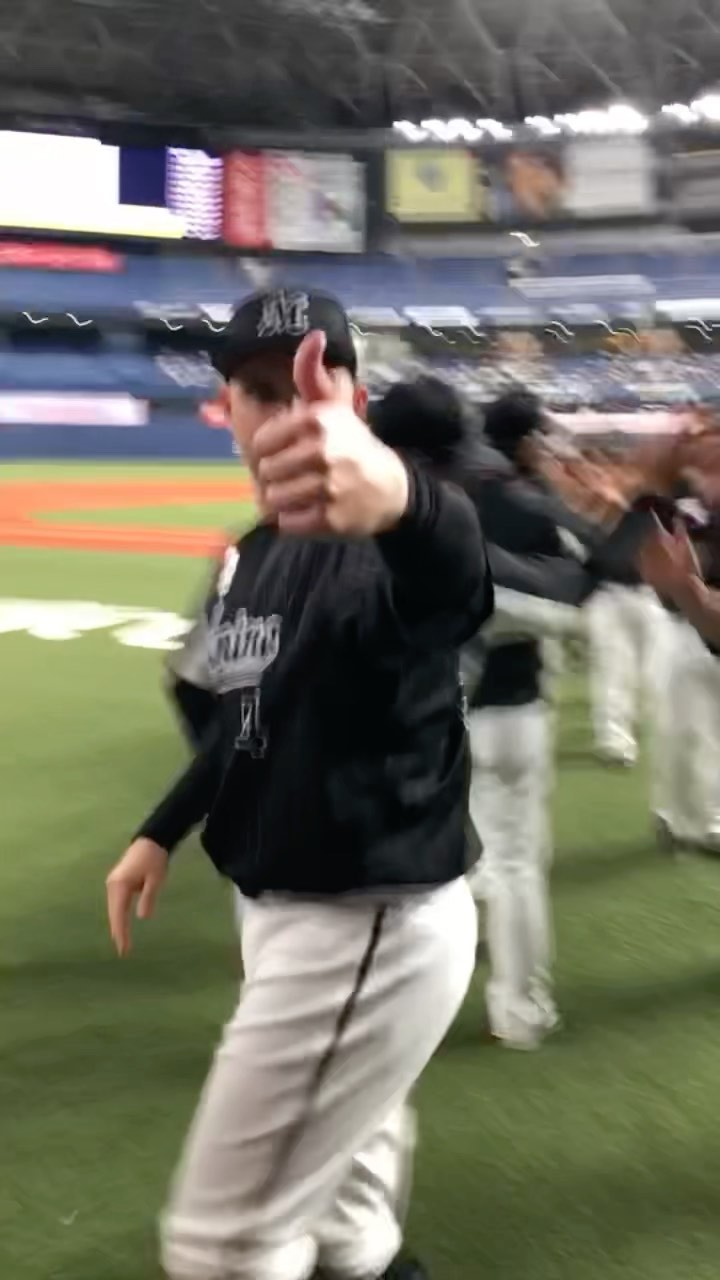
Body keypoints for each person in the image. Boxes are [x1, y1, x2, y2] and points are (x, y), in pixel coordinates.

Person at [105, 287, 493, 1280]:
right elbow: (245, 716)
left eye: (310, 388)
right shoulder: (249, 555)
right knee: (348, 1233)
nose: (284, 412)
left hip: (364, 918)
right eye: (260, 390)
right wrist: (160, 828)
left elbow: (453, 583)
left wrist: (406, 499)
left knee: (221, 1247)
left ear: (354, 400)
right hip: (284, 905)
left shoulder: (387, 529)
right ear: (227, 407)